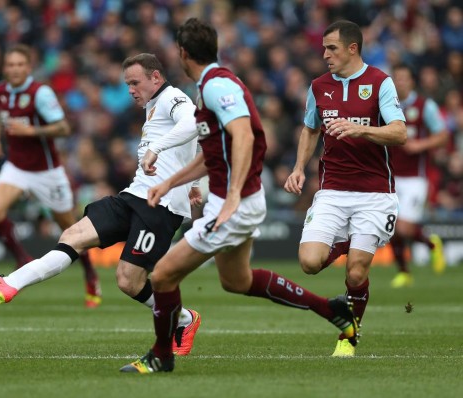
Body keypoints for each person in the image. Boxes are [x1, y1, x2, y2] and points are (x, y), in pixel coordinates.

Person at [119, 18, 359, 374]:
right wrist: (171, 183)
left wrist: (231, 196)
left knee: (163, 275)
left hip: (235, 203)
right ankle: (332, 309)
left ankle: (161, 355)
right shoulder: (208, 88)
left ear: (182, 53)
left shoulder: (217, 86)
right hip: (233, 200)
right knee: (237, 281)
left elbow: (243, 135)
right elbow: (214, 154)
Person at [0, 53, 203, 356]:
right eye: (127, 83)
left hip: (161, 206)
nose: (131, 89)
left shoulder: (172, 98)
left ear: (155, 77)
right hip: (134, 195)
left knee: (128, 282)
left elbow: (193, 122)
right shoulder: (153, 105)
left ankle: (185, 318)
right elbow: (190, 141)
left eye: (135, 82)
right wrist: (193, 182)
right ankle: (9, 283)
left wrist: (159, 152)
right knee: (72, 236)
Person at [284, 20, 407, 357]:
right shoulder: (319, 86)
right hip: (333, 191)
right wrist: (298, 168)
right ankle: (350, 243)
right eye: (324, 48)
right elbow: (311, 129)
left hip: (375, 194)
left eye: (332, 48)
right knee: (309, 262)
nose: (325, 55)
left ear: (352, 48)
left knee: (355, 272)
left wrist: (360, 129)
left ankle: (348, 336)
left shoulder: (380, 83)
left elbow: (399, 133)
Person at [0, 44, 101, 307]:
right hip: (17, 167)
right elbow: (0, 118)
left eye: (19, 64)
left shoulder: (40, 93)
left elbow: (64, 128)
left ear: (28, 67)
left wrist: (31, 132)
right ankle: (23, 259)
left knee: (71, 231)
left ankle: (90, 273)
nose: (14, 69)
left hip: (47, 172)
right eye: (10, 65)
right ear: (4, 68)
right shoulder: (1, 90)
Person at [389, 63, 449, 288]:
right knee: (390, 226)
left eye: (404, 78)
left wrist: (420, 145)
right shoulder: (386, 105)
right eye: (396, 78)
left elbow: (443, 135)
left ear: (411, 81)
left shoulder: (425, 106)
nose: (400, 82)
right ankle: (404, 272)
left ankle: (432, 245)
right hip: (391, 175)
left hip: (415, 177)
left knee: (403, 228)